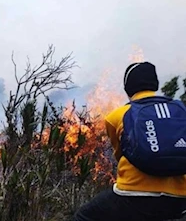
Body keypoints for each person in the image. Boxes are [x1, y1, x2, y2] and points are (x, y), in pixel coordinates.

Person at [73, 62, 186, 221]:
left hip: (133, 196)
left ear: (128, 87)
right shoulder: (180, 109)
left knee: (83, 217)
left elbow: (121, 155)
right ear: (155, 84)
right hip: (179, 199)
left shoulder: (116, 116)